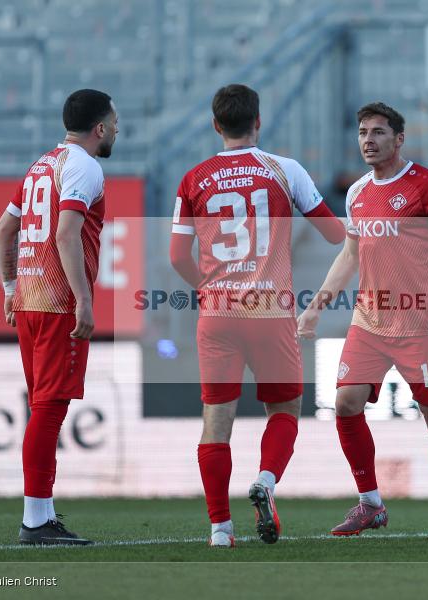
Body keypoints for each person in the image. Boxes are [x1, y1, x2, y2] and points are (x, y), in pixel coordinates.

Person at [170, 84, 345, 547]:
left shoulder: (194, 178)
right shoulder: (285, 170)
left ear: (216, 125)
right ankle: (266, 481)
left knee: (216, 419)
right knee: (285, 408)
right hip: (270, 310)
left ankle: (220, 530)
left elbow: (177, 256)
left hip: (218, 312)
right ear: (258, 121)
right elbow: (333, 234)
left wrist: (208, 288)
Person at [298, 102, 428, 540]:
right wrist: (317, 304)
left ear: (399, 139)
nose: (368, 140)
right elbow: (350, 255)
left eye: (378, 132)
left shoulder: (427, 188)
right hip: (370, 323)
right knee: (345, 403)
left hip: (421, 326)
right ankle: (370, 505)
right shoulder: (357, 193)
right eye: (363, 132)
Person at [0, 89, 117, 545]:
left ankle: (42, 514)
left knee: (43, 408)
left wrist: (10, 289)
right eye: (114, 123)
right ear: (99, 128)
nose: (117, 130)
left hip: (29, 299)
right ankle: (34, 521)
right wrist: (83, 299)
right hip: (56, 303)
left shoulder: (41, 165)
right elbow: (67, 234)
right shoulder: (85, 166)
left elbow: (3, 230)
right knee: (49, 411)